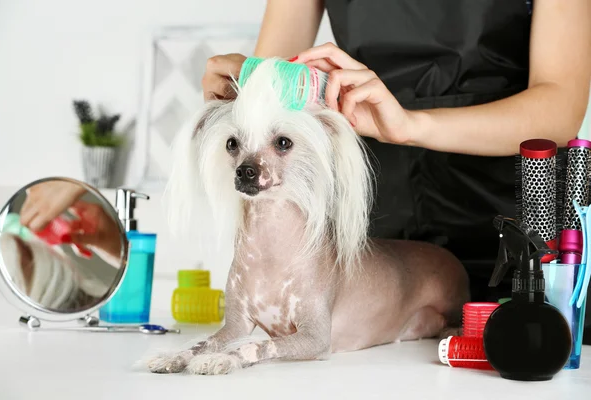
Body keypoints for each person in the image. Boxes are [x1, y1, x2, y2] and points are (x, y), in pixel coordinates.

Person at [202, 0, 591, 340]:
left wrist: (409, 125)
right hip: (375, 256)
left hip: (516, 239)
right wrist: (250, 80)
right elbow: (274, 94)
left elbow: (559, 110)